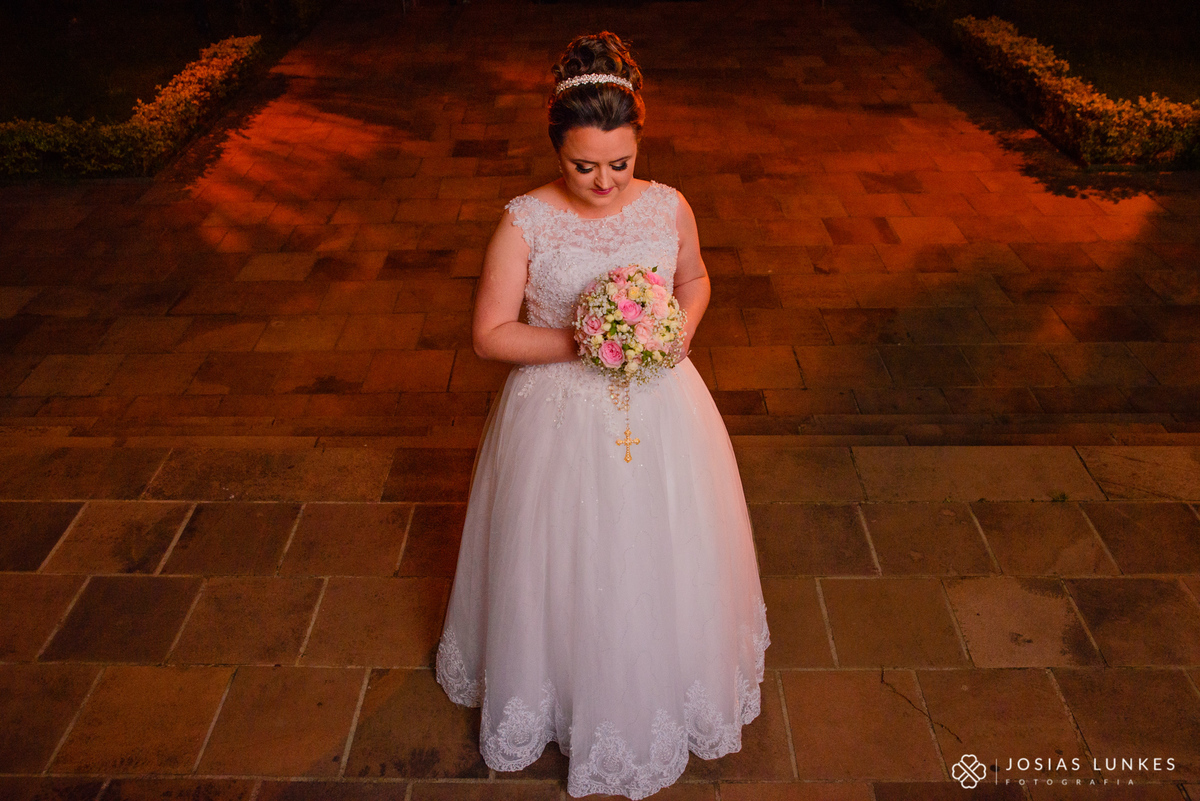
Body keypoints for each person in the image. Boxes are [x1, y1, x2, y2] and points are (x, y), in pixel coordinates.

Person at [435, 31, 770, 800]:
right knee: (564, 556)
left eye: (619, 164)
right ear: (557, 148)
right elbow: (489, 335)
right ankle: (559, 684)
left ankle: (668, 675)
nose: (604, 182)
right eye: (583, 165)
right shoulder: (524, 221)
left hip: (664, 409)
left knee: (664, 547)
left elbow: (696, 278)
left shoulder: (668, 205)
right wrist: (586, 337)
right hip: (558, 420)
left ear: (638, 143)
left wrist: (675, 326)